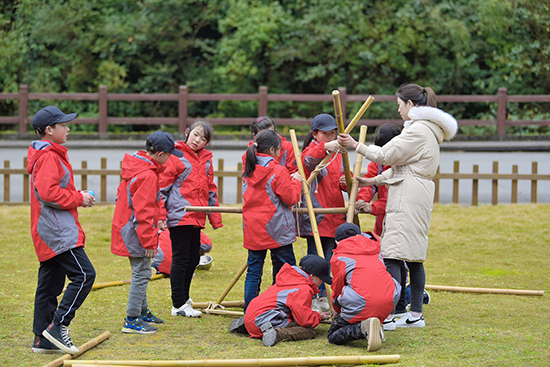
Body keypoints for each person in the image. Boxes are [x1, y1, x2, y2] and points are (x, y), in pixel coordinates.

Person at [338, 84, 458, 328]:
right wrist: (372, 181)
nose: (399, 110)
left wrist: (355, 144)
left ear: (411, 105)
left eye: (400, 105)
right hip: (417, 193)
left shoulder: (418, 130)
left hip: (408, 196)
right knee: (413, 257)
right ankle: (415, 315)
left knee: (393, 255)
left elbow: (385, 155)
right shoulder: (427, 129)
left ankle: (390, 315)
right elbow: (401, 167)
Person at [27, 106, 96, 355]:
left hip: (49, 227)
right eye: (63, 125)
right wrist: (80, 197)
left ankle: (42, 340)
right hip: (56, 229)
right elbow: (48, 193)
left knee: (50, 283)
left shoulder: (49, 154)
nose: (68, 129)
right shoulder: (48, 156)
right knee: (85, 275)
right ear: (49, 129)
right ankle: (58, 326)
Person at [111, 131, 183, 334]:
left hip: (129, 228)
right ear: (160, 154)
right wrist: (150, 242)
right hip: (135, 231)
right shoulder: (148, 174)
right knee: (142, 273)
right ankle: (132, 319)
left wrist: (160, 216)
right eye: (170, 154)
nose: (171, 159)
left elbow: (152, 200)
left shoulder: (140, 166)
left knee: (141, 270)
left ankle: (142, 311)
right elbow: (142, 214)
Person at [159, 120, 223, 318]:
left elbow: (211, 188)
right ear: (187, 132)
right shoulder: (175, 155)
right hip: (180, 212)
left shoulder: (207, 159)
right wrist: (160, 214)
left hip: (197, 214)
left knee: (194, 257)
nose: (198, 140)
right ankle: (178, 304)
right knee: (181, 258)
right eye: (195, 134)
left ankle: (184, 298)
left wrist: (215, 217)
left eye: (203, 138)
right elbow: (162, 188)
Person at [240, 130, 303, 311]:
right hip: (276, 228)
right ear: (274, 150)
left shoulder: (248, 166)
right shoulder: (278, 170)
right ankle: (281, 307)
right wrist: (297, 181)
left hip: (253, 227)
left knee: (253, 272)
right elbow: (290, 198)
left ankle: (250, 312)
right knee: (285, 270)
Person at [230, 254, 331, 347]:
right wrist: (319, 316)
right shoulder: (303, 289)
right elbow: (304, 320)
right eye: (321, 278)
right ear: (312, 275)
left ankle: (245, 325)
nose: (322, 282)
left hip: (254, 314)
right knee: (309, 331)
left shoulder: (290, 278)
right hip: (263, 320)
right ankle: (277, 333)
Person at [327, 223, 400, 351]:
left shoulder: (339, 258)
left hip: (361, 302)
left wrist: (336, 309)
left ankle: (363, 328)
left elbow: (338, 287)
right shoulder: (376, 250)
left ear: (337, 241)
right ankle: (373, 326)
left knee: (333, 335)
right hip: (389, 299)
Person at [299, 113, 346, 309]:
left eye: (332, 133)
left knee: (332, 258)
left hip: (336, 215)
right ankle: (313, 296)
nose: (329, 136)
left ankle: (327, 296)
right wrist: (324, 147)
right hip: (318, 216)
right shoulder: (311, 151)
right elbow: (308, 161)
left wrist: (347, 181)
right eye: (325, 133)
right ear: (314, 134)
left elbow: (343, 175)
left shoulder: (339, 153)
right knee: (316, 260)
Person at [355, 124, 401, 236]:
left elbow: (397, 199)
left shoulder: (403, 164)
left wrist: (374, 207)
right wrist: (362, 200)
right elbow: (368, 184)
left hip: (401, 221)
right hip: (382, 222)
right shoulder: (378, 163)